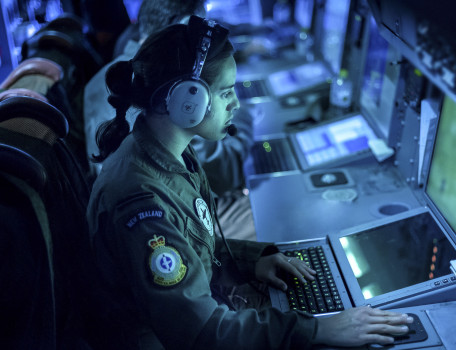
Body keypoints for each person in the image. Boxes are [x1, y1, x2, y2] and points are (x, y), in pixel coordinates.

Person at [86, 16, 412, 349]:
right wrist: (316, 329)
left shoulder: (168, 153)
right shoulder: (141, 203)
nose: (236, 104)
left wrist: (250, 261)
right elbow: (203, 334)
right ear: (188, 101)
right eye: (226, 92)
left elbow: (194, 253)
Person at [84, 0, 256, 240]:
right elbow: (226, 174)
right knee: (263, 209)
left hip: (171, 208)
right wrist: (249, 115)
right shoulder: (172, 106)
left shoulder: (135, 73)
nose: (200, 46)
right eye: (193, 35)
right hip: (155, 221)